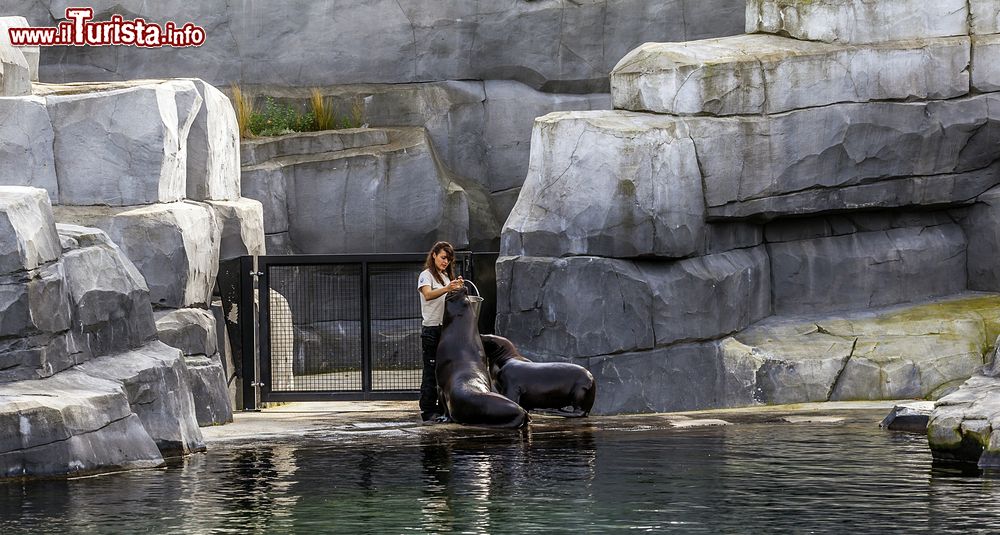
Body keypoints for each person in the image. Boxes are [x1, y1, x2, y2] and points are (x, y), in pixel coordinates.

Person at [417, 241, 464, 422]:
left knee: (444, 370)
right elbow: (428, 295)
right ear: (434, 254)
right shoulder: (426, 275)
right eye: (443, 257)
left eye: (449, 259)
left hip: (446, 330)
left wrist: (456, 287)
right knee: (430, 371)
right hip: (431, 330)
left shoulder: (444, 277)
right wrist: (447, 288)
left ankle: (442, 408)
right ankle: (427, 411)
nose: (446, 262)